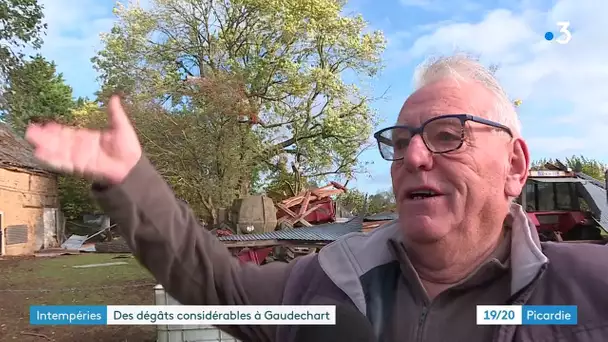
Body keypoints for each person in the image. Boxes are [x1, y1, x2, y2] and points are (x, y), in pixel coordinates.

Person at [25, 54, 608, 342]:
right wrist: (129, 179)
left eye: (448, 135)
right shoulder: (326, 285)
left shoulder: (590, 292)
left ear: (514, 165)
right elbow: (217, 284)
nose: (414, 158)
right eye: (401, 141)